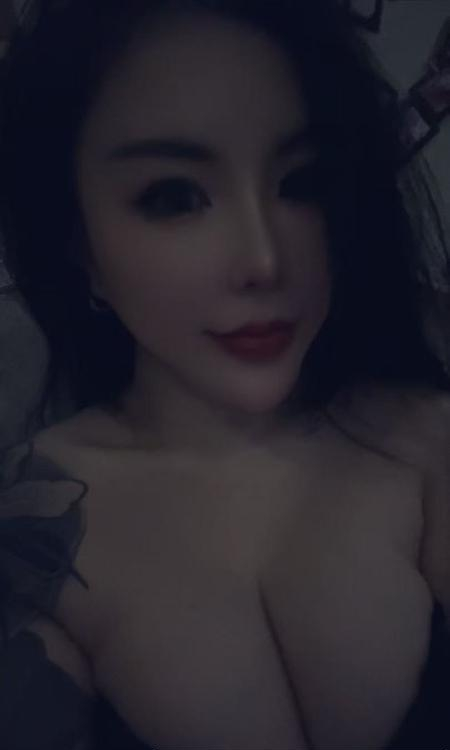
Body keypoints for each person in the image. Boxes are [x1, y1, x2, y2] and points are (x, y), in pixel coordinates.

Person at [0, 0, 449, 748]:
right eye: (175, 197)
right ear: (78, 243)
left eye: (303, 182)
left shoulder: (427, 443)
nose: (264, 260)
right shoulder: (32, 535)